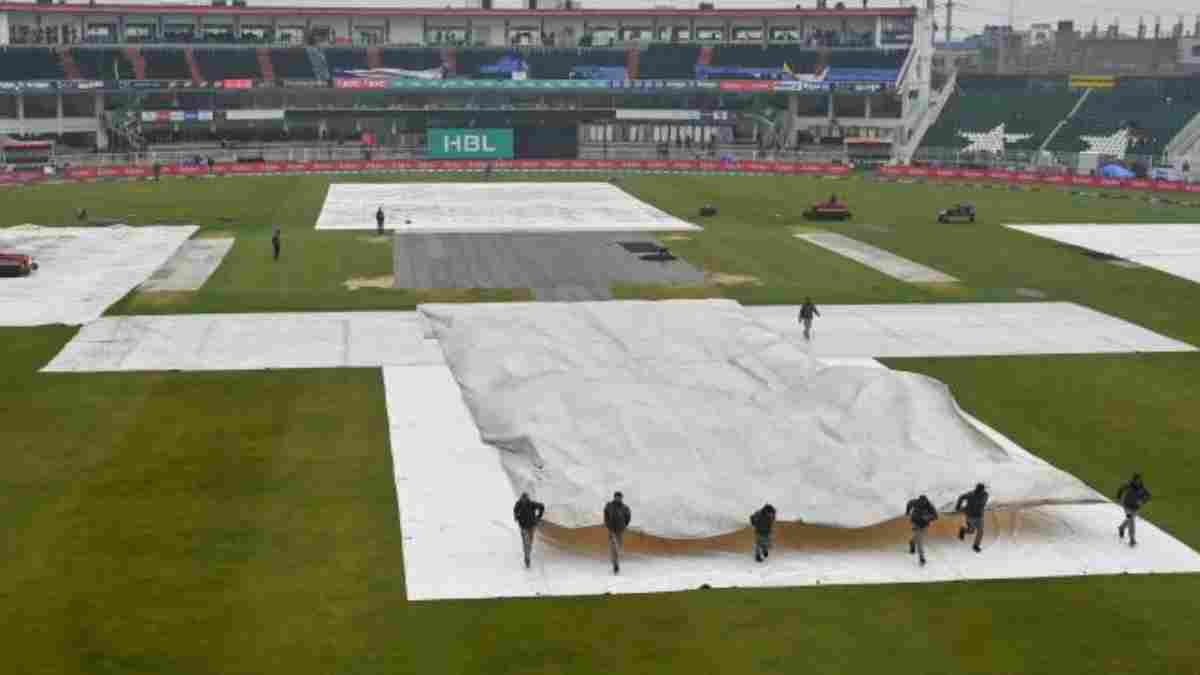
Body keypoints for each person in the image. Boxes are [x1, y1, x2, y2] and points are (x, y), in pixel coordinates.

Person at [1117, 473, 1152, 547]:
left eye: (1139, 480)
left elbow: (1148, 496)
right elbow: (1120, 490)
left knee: (1129, 519)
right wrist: (1119, 497)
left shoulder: (1142, 488)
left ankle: (1121, 527)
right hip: (1127, 506)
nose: (1138, 482)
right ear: (1134, 480)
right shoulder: (1128, 485)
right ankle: (1132, 539)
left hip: (1136, 507)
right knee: (1131, 521)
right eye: (1137, 480)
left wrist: (1142, 501)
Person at [512, 492, 545, 569]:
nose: (524, 500)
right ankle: (527, 558)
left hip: (531, 526)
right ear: (521, 498)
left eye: (525, 499)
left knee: (529, 543)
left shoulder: (531, 504)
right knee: (526, 543)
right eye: (523, 499)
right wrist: (516, 517)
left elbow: (542, 506)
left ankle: (527, 553)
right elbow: (515, 511)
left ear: (527, 499)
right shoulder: (518, 504)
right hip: (523, 527)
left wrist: (538, 517)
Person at [954, 483, 989, 553]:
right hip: (970, 516)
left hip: (979, 517)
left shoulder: (985, 494)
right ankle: (963, 530)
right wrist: (958, 506)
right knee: (971, 531)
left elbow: (982, 503)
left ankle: (975, 546)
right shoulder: (970, 494)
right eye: (981, 490)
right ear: (977, 489)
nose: (982, 491)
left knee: (980, 531)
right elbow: (961, 497)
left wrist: (959, 506)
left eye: (983, 490)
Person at [905, 494, 938, 566]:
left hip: (924, 524)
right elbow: (909, 503)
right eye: (921, 502)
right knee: (920, 541)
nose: (922, 503)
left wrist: (928, 517)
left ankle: (912, 542)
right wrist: (907, 512)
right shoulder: (915, 502)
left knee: (917, 537)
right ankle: (922, 558)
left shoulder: (929, 505)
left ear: (926, 502)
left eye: (923, 502)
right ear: (919, 500)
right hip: (915, 523)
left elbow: (936, 516)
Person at [603, 491, 632, 574]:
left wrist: (624, 525)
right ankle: (615, 565)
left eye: (619, 497)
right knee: (613, 547)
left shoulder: (625, 508)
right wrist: (608, 525)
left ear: (621, 498)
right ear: (614, 497)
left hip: (620, 530)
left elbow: (628, 517)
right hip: (611, 530)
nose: (618, 498)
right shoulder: (609, 506)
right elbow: (606, 516)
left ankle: (615, 560)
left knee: (619, 547)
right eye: (616, 497)